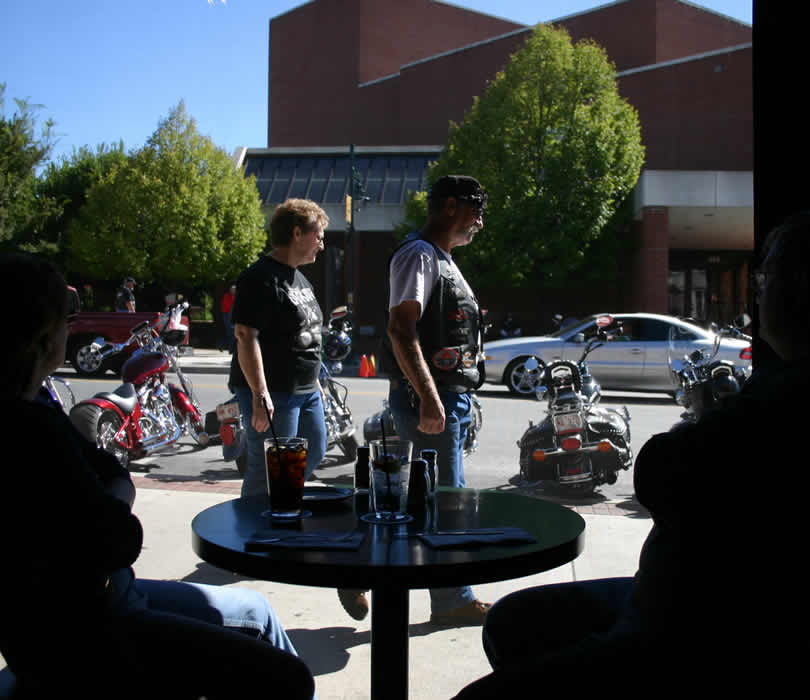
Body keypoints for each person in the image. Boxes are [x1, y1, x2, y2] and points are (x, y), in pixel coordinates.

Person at [453, 212, 810, 696]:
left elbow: (659, 476)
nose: (759, 293)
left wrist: (706, 416)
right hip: (675, 599)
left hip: (679, 624)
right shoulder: (776, 386)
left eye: (766, 280)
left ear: (795, 294)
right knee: (512, 618)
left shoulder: (781, 395)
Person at [0, 253, 315, 699]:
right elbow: (118, 536)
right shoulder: (32, 429)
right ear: (41, 334)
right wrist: (114, 489)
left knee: (255, 609)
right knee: (286, 668)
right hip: (94, 631)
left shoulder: (36, 411)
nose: (69, 329)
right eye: (64, 319)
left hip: (46, 634)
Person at [338, 175, 491, 626]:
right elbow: (400, 330)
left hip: (446, 400)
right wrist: (429, 398)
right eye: (474, 206)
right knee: (441, 504)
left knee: (418, 501)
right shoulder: (419, 255)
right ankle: (451, 600)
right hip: (431, 403)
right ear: (448, 206)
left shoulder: (440, 260)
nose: (480, 218)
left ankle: (363, 567)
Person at [230, 198, 328, 497]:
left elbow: (305, 333)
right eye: (318, 236)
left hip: (305, 389)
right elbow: (246, 336)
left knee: (315, 448)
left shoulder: (299, 278)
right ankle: (253, 536)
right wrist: (260, 396)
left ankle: (282, 507)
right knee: (269, 469)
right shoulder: (259, 278)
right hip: (275, 392)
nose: (321, 245)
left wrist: (316, 381)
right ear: (297, 234)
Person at [220, 283, 237, 353]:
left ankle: (229, 348)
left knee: (231, 333)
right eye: (232, 290)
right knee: (229, 332)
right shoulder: (227, 296)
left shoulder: (236, 296)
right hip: (227, 315)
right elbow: (227, 306)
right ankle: (226, 347)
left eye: (234, 290)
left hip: (232, 316)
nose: (233, 291)